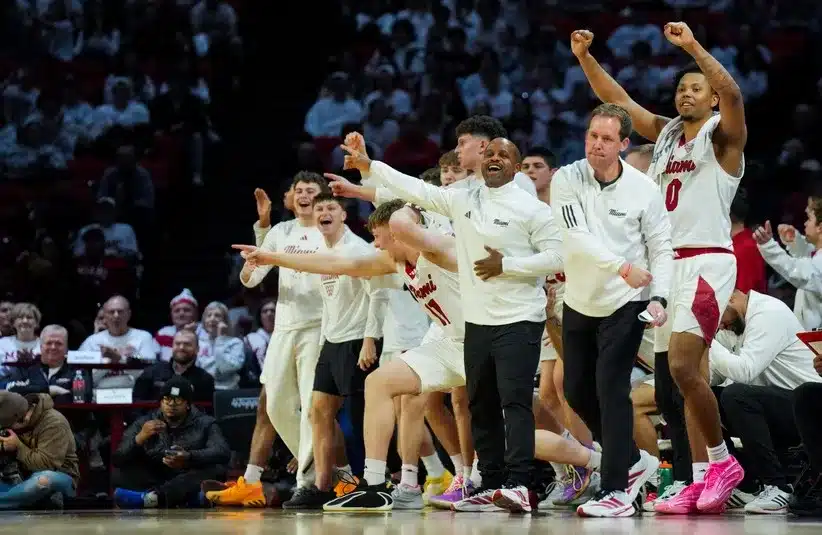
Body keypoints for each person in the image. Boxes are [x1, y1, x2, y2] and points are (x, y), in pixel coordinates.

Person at [573, 21, 748, 513]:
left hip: (708, 262)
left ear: (712, 99)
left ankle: (720, 462)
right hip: (669, 267)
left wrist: (692, 46)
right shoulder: (668, 133)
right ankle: (695, 476)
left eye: (697, 89)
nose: (686, 95)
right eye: (681, 88)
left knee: (684, 368)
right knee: (677, 383)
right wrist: (586, 58)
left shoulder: (724, 136)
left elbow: (733, 90)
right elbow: (621, 101)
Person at [342, 133, 563, 513]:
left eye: (504, 154)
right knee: (481, 406)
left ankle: (521, 484)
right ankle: (491, 483)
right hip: (477, 322)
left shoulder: (533, 210)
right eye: (489, 153)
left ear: (515, 164)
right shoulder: (464, 199)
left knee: (514, 404)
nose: (495, 158)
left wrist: (507, 265)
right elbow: (414, 189)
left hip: (519, 319)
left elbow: (558, 256)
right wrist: (369, 166)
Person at [550, 103, 673, 517]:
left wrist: (661, 296)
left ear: (623, 144)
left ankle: (618, 488)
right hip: (581, 301)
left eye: (606, 139)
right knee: (576, 390)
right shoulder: (566, 178)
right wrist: (621, 267)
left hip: (627, 303)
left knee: (610, 386)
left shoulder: (644, 190)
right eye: (592, 136)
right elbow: (576, 236)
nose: (596, 145)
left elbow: (661, 247)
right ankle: (634, 459)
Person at [237, 193, 387, 508]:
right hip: (330, 340)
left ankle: (378, 481)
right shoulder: (319, 249)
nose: (323, 212)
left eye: (331, 208)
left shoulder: (357, 248)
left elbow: (378, 296)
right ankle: (321, 485)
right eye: (320, 209)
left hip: (358, 340)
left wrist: (371, 340)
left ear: (344, 216)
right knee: (317, 411)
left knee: (362, 419)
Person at [237, 172, 328, 504]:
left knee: (309, 406)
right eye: (298, 190)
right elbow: (251, 279)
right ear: (290, 198)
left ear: (322, 197)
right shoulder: (280, 231)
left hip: (318, 327)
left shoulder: (330, 231)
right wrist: (250, 263)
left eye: (310, 190)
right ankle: (323, 468)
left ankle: (308, 482)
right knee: (275, 405)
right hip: (285, 327)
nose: (303, 194)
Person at [710, 290, 822, 514]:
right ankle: (746, 486)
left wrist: (704, 339)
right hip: (774, 404)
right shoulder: (732, 321)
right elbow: (716, 375)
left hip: (807, 407)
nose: (719, 327)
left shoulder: (769, 313)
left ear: (730, 297)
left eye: (718, 320)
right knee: (706, 399)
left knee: (736, 395)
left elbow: (744, 371)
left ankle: (778, 486)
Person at [113, 376, 231, 508]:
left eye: (177, 400)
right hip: (157, 475)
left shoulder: (206, 423)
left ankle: (153, 499)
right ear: (160, 402)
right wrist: (140, 437)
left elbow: (222, 451)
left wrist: (189, 457)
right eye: (166, 399)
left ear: (188, 404)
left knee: (213, 471)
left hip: (188, 475)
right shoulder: (145, 422)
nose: (171, 404)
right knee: (123, 471)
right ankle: (186, 500)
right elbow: (118, 457)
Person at [0, 391, 79, 509]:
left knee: (43, 481)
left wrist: (18, 446)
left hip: (58, 475)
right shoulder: (9, 414)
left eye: (8, 426)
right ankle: (24, 500)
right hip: (16, 478)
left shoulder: (54, 422)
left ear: (23, 419)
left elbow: (46, 465)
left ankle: (12, 500)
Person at [755, 197, 822, 331]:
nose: (805, 223)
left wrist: (769, 247)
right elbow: (809, 260)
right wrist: (795, 241)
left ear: (820, 227)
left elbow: (799, 272)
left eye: (809, 218)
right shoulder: (816, 256)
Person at [133, 330, 216, 403]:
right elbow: (136, 404)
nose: (181, 347)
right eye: (177, 343)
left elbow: (208, 412)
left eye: (187, 344)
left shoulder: (205, 379)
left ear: (197, 349)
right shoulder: (152, 372)